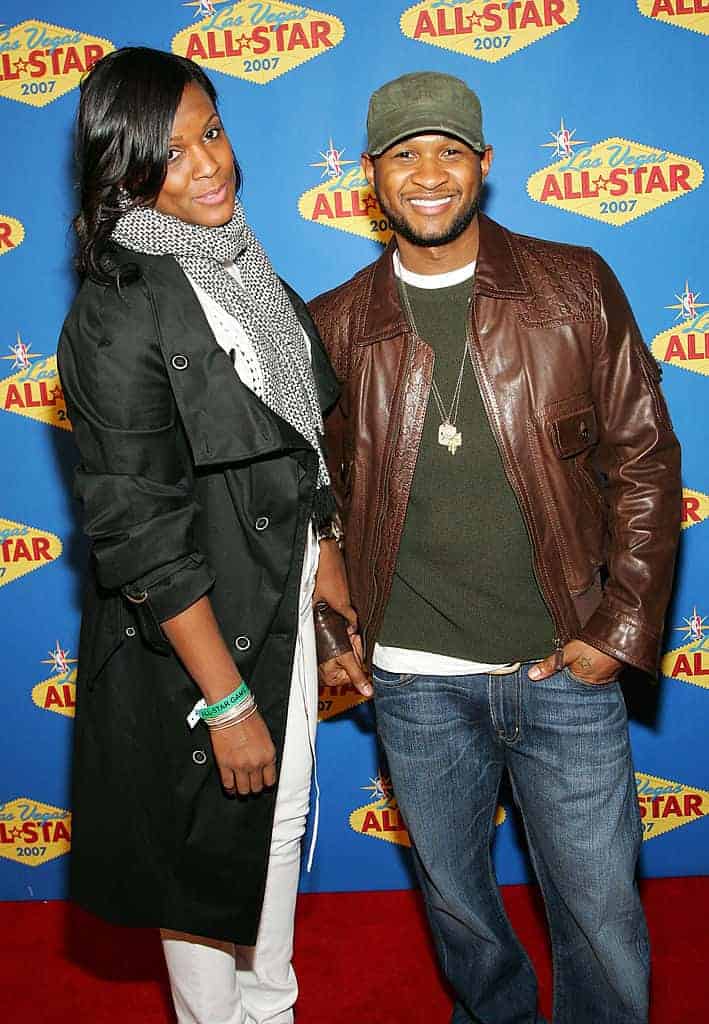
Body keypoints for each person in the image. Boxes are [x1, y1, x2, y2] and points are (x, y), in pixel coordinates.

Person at [310, 71, 681, 1024]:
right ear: (370, 177)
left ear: (483, 164)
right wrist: (332, 631)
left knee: (602, 915)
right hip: (415, 681)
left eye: (447, 151)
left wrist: (619, 627)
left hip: (564, 667)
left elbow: (643, 460)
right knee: (461, 914)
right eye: (403, 154)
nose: (427, 173)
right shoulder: (337, 324)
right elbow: (312, 500)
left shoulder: (571, 286)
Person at [58, 46, 364, 1024]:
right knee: (201, 864)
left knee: (272, 836)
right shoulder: (114, 312)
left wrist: (332, 575)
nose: (209, 165)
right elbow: (140, 529)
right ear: (126, 167)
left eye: (214, 132)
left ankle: (268, 1007)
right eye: (174, 150)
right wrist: (225, 702)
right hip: (193, 649)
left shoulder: (245, 268)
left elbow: (300, 454)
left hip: (277, 609)